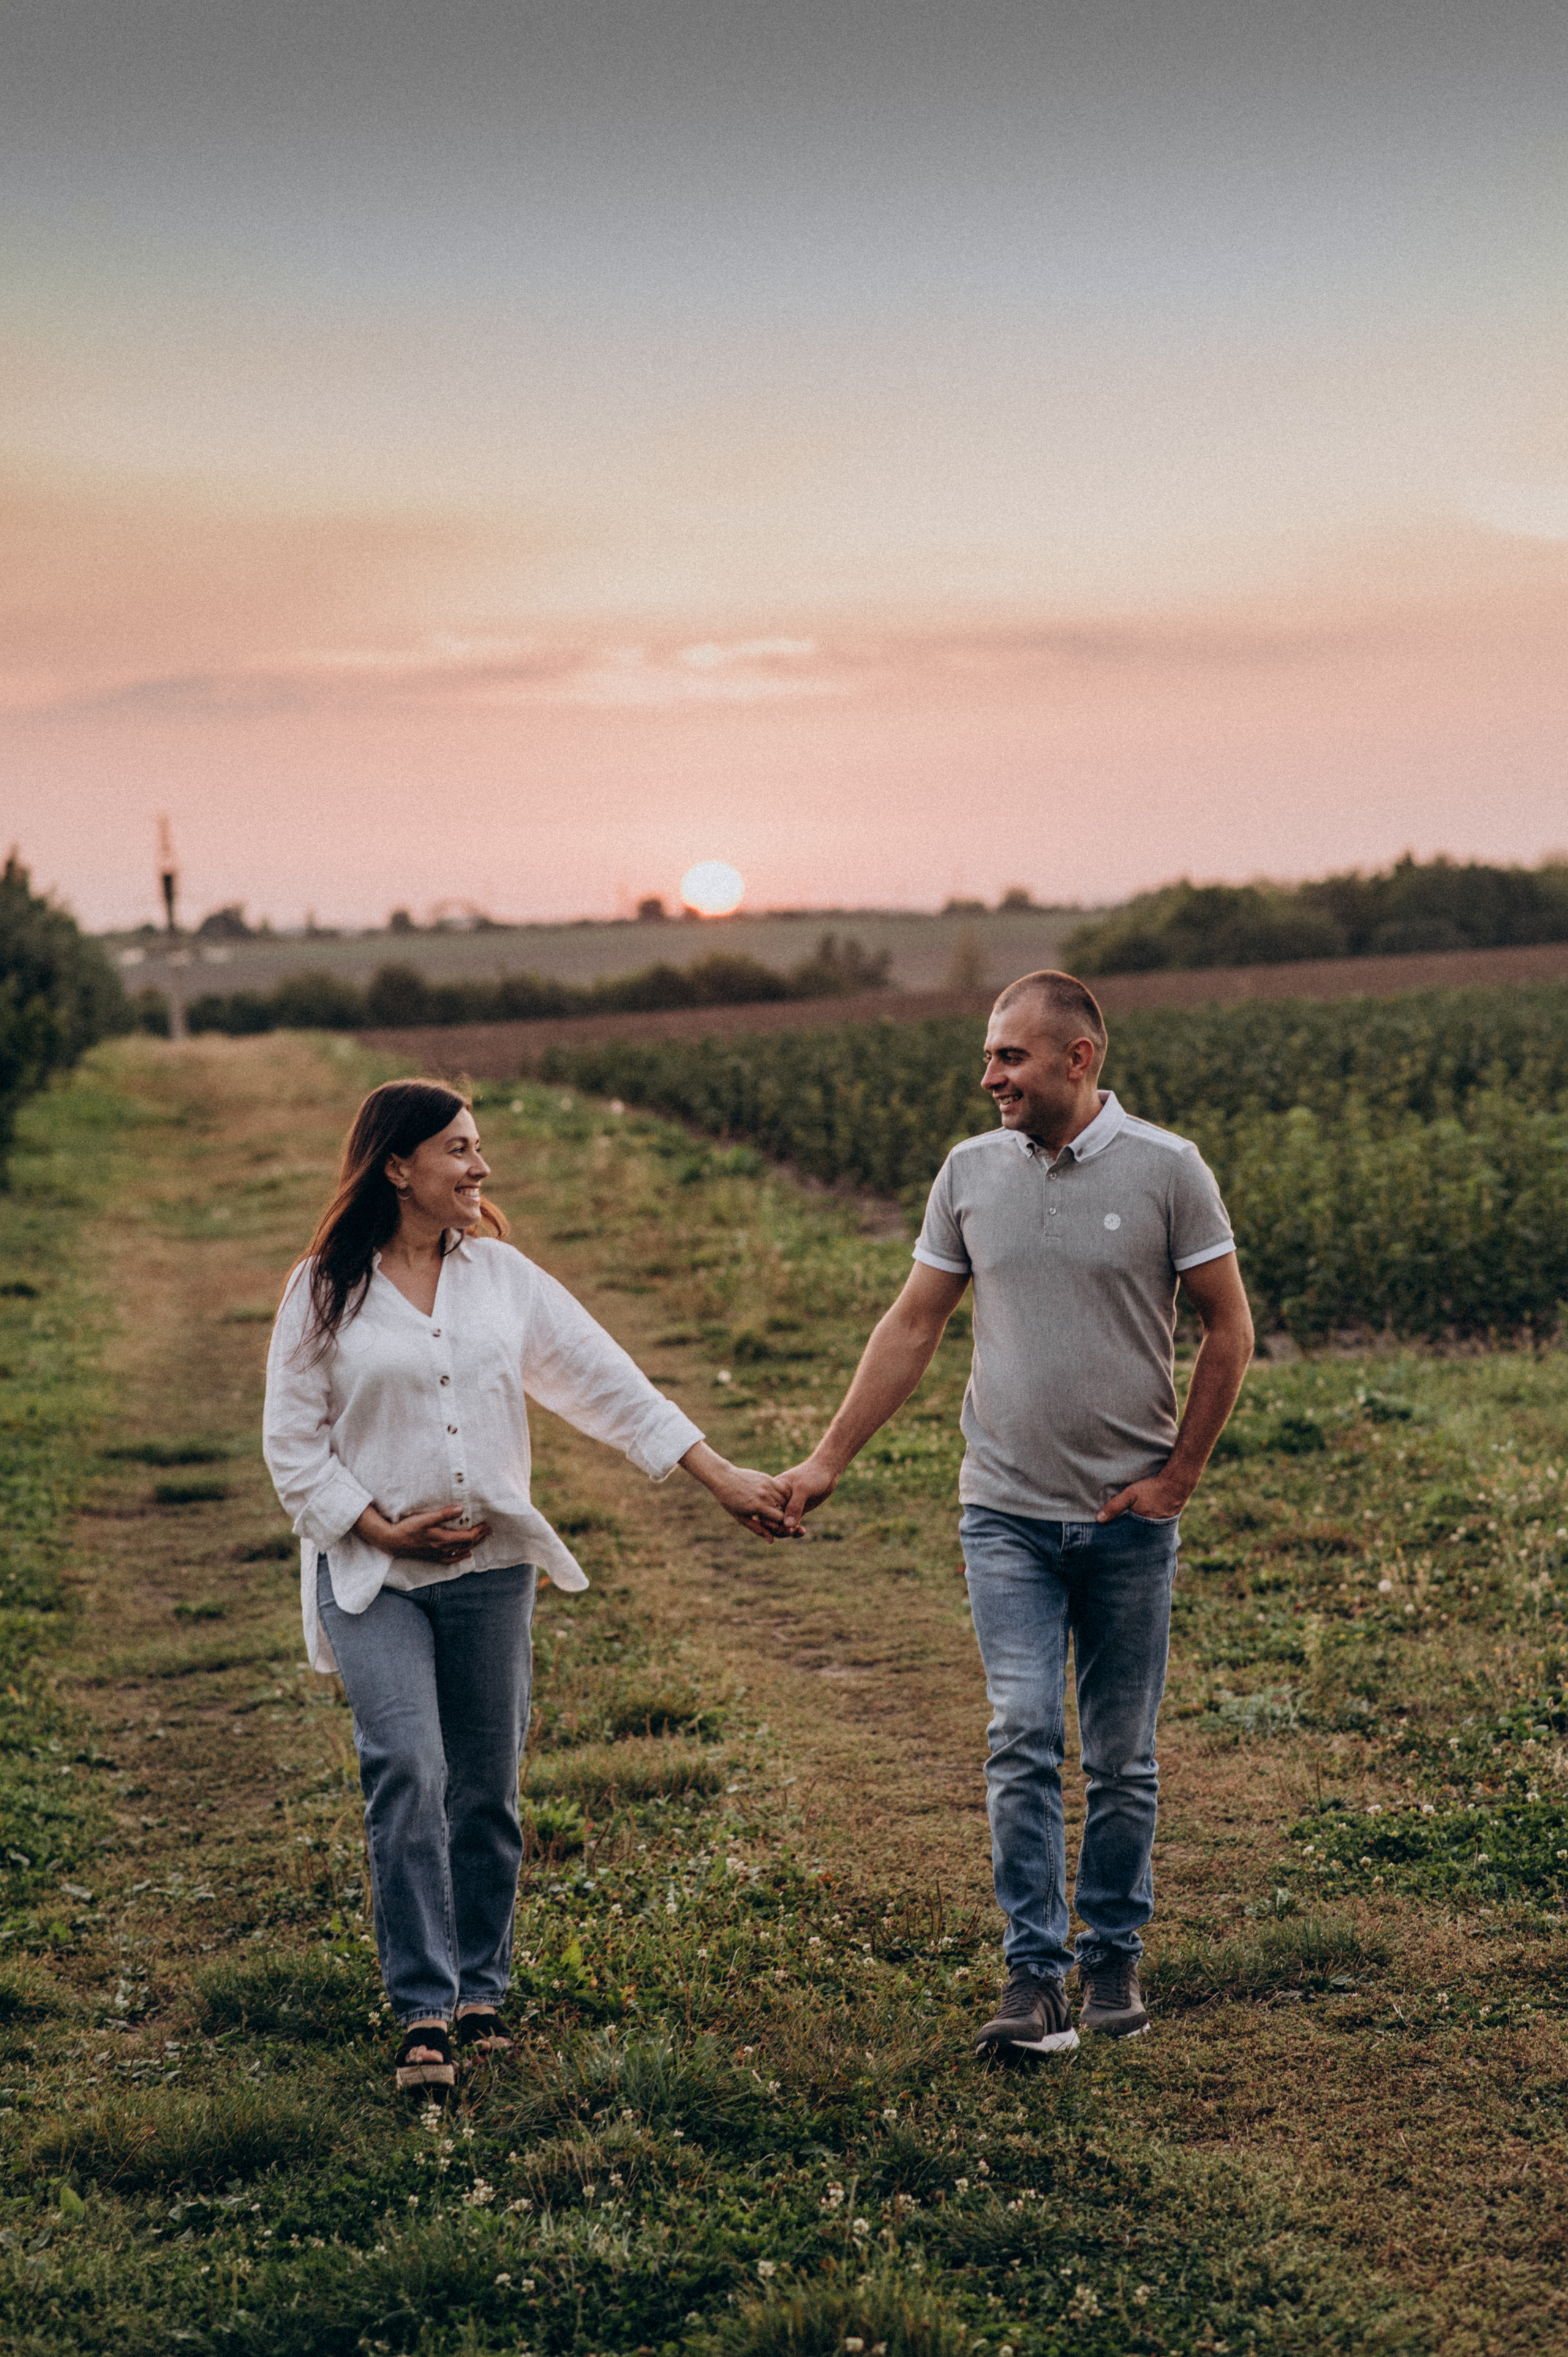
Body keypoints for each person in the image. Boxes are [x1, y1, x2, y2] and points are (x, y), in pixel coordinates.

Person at [263, 1079, 785, 2096]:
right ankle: (424, 2008)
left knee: (486, 1791)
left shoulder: (502, 1279)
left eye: (478, 1147)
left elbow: (608, 1381)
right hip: (372, 1575)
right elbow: (292, 1445)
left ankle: (482, 1994)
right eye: (458, 1149)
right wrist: (378, 1526)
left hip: (491, 1575)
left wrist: (719, 1477)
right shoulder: (322, 1290)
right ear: (397, 1166)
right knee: (408, 1769)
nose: (481, 1166)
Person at [776, 971, 1253, 2057]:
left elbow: (1228, 1327)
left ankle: (1113, 1953)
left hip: (1129, 1522)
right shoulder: (969, 1172)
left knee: (1122, 1759)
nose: (989, 1076)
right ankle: (1034, 1975)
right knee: (1023, 1732)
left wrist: (1178, 1479)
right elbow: (913, 1323)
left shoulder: (1169, 1169)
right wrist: (827, 1459)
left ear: (1078, 1059)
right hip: (1004, 1514)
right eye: (990, 1055)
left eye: (1010, 1057)